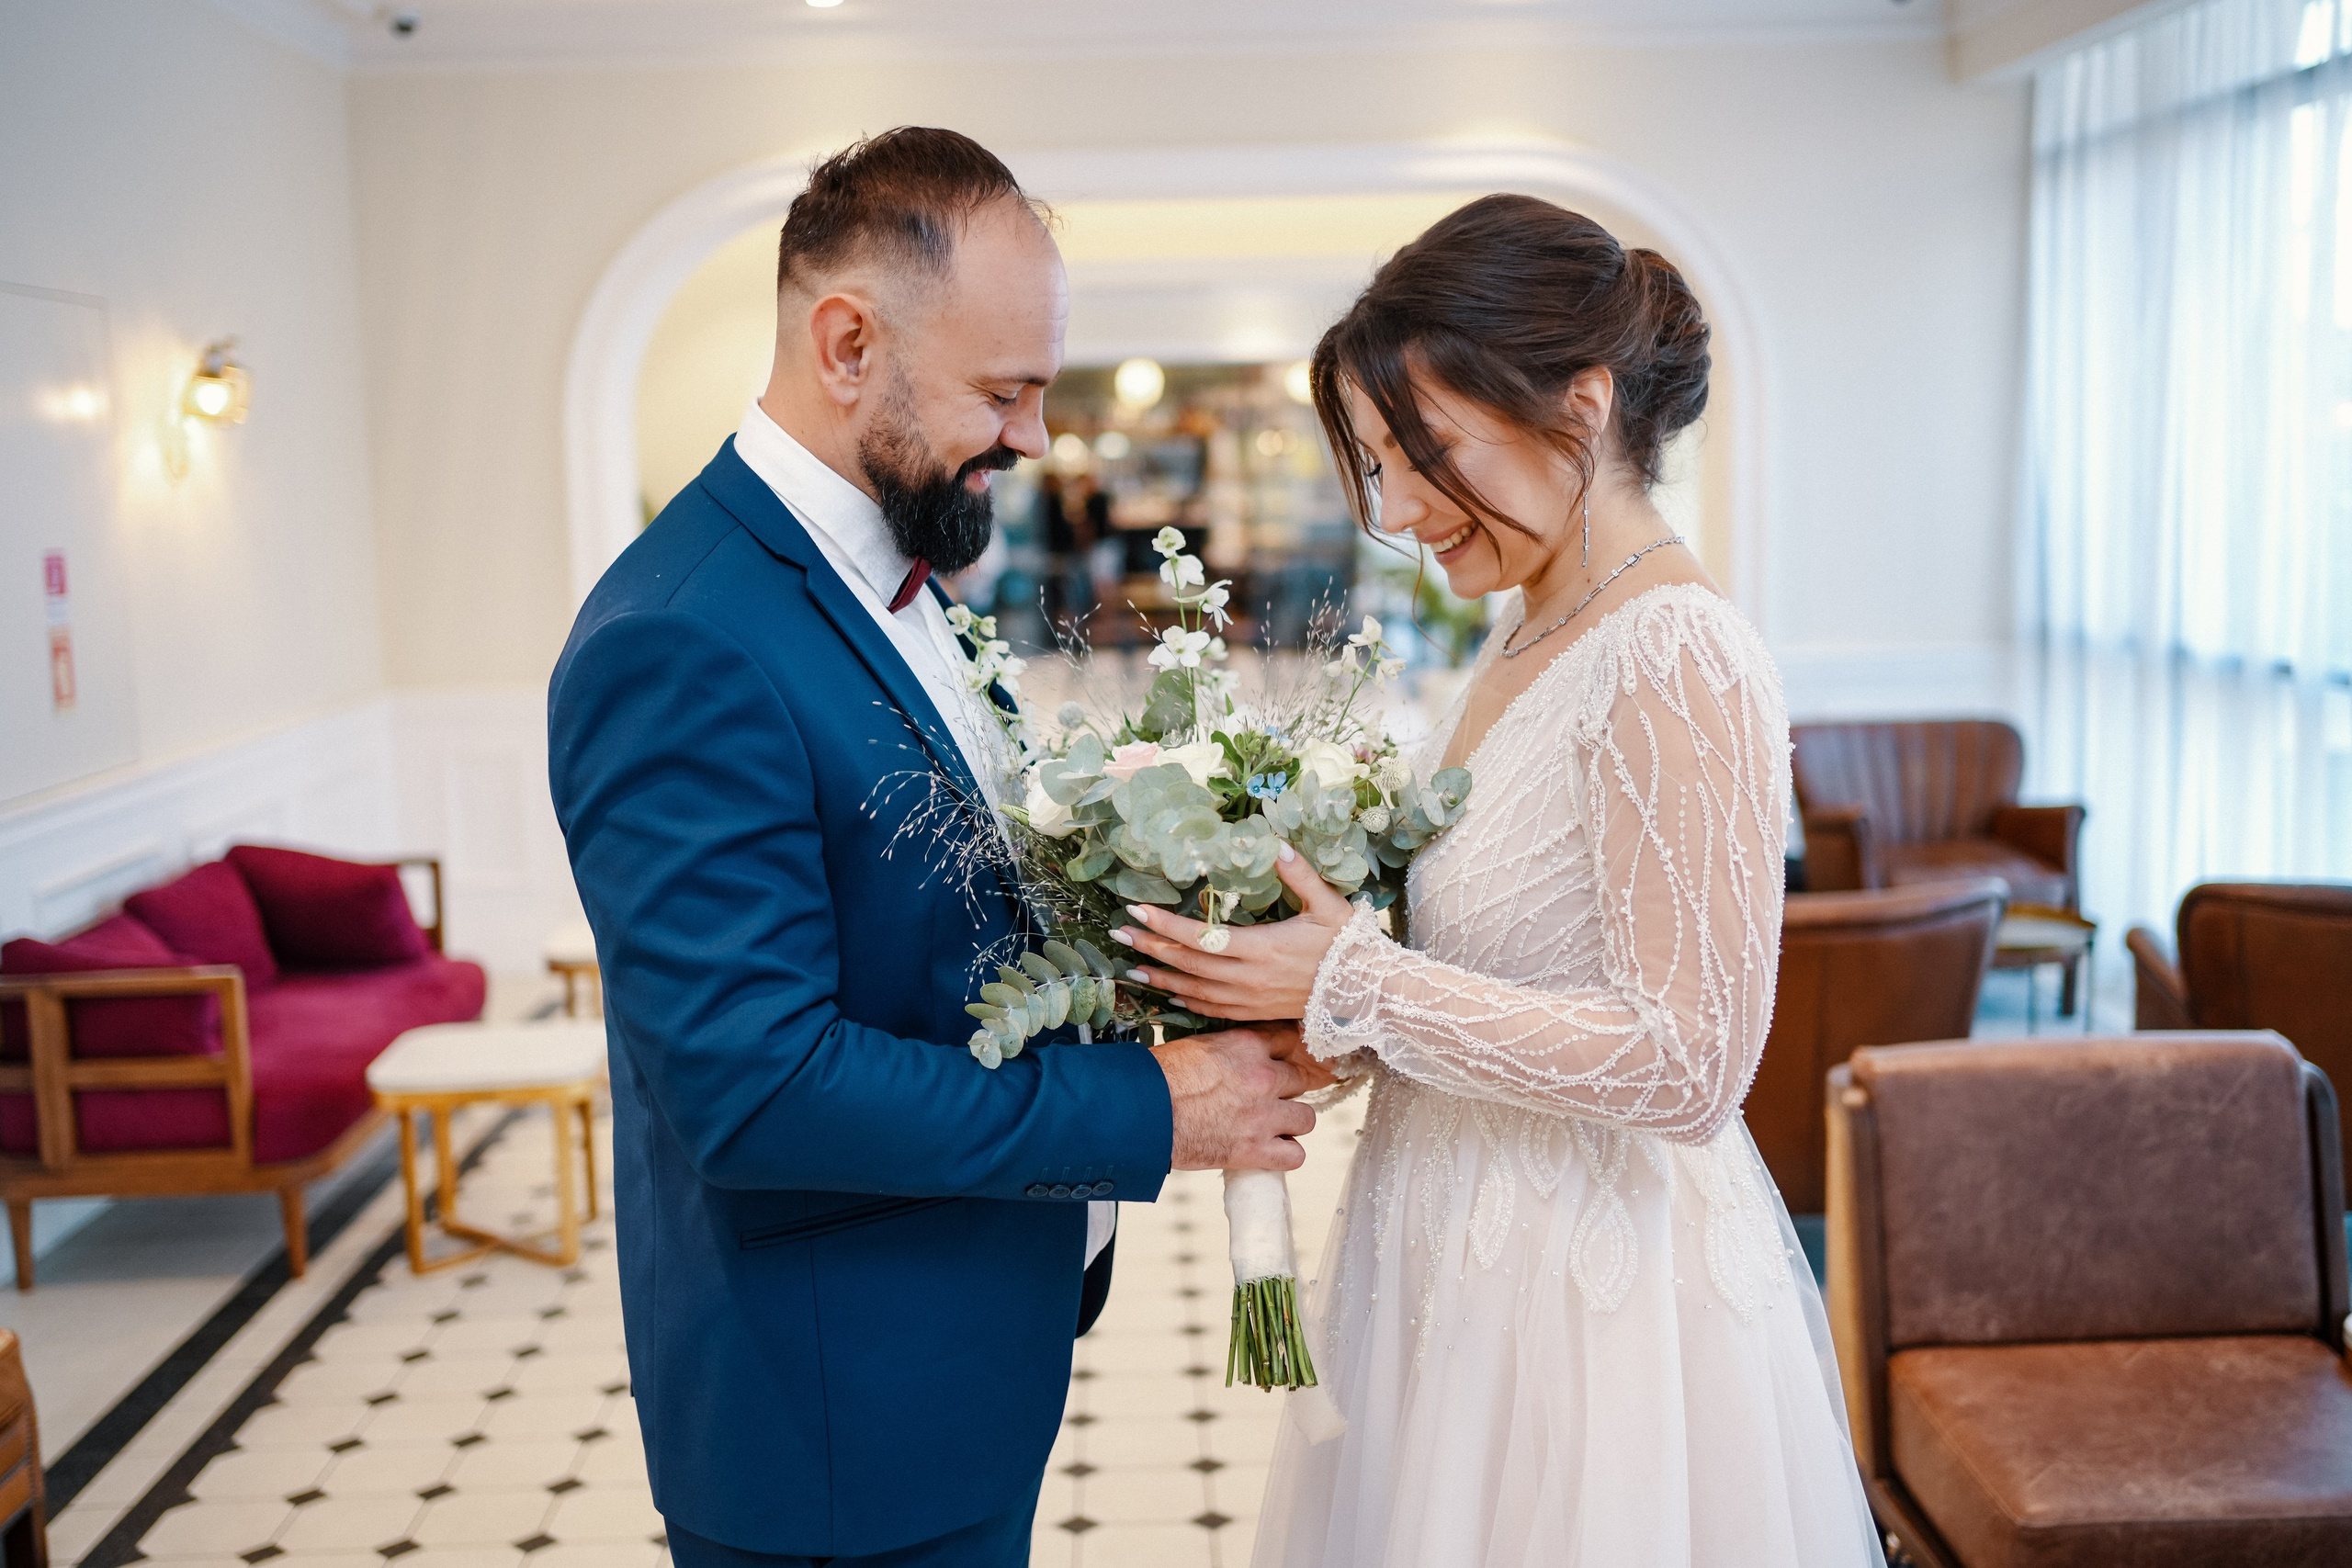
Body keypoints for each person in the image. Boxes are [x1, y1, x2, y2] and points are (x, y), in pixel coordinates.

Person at [546, 128, 1317, 1568]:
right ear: (848, 344)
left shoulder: (891, 575)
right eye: (1003, 391)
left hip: (954, 1358)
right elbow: (758, 1089)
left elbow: (944, 938)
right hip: (839, 1423)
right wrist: (1152, 1110)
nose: (1033, 438)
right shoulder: (680, 640)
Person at [1111, 195, 1887, 1566]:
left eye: (1426, 454)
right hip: (1445, 1263)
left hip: (1587, 1311)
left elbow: (1693, 1063)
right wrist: (1322, 1011)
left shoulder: (1677, 654)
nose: (1399, 510)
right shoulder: (1537, 629)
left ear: (1580, 406)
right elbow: (1506, 980)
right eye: (1376, 464)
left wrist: (1357, 979)